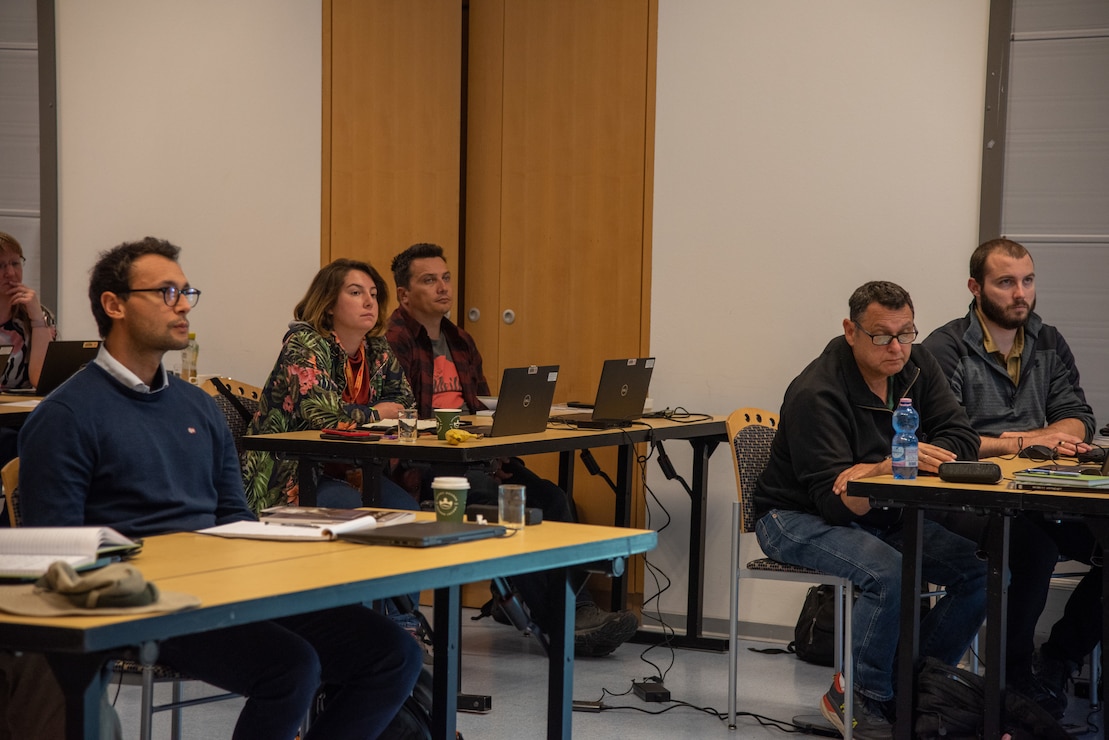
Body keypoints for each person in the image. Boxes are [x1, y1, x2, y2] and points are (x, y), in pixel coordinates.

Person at [18, 237, 422, 739]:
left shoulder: (197, 407)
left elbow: (234, 515)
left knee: (392, 654)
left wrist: (292, 550)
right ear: (114, 305)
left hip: (222, 584)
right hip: (145, 598)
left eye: (188, 292)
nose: (184, 304)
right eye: (166, 292)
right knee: (291, 666)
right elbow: (52, 553)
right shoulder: (66, 416)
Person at [753, 281, 986, 739]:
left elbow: (962, 438)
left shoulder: (916, 365)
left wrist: (900, 461)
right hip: (792, 517)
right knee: (891, 573)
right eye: (882, 336)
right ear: (851, 331)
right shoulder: (815, 393)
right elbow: (837, 505)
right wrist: (889, 466)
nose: (897, 347)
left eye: (906, 333)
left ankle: (913, 684)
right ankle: (858, 694)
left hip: (882, 509)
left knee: (982, 574)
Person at [385, 242, 639, 657]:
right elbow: (401, 426)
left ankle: (577, 608)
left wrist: (498, 450)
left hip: (474, 459)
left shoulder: (460, 340)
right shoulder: (393, 343)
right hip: (426, 469)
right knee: (508, 507)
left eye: (445, 278)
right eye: (428, 280)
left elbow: (481, 410)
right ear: (404, 294)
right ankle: (562, 623)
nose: (442, 288)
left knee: (551, 498)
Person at [922, 237, 1100, 717]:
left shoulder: (1048, 340)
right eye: (1006, 283)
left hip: (1042, 494)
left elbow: (1079, 416)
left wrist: (1049, 435)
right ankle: (1013, 673)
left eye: (1028, 280)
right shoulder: (943, 348)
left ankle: (1058, 659)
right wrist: (1023, 442)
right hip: (964, 498)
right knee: (1031, 542)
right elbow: (947, 437)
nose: (1021, 293)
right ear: (975, 288)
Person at [242, 258, 419, 514]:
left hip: (354, 469)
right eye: (356, 293)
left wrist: (361, 413)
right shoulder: (303, 344)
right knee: (347, 507)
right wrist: (377, 413)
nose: (369, 302)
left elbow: (405, 403)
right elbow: (325, 414)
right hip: (292, 473)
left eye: (373, 294)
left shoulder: (376, 347)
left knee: (407, 510)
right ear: (328, 305)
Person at [0, 232, 56, 480]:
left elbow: (39, 379)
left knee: (56, 434)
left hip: (25, 417)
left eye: (15, 263)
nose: (10, 273)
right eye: (0, 265)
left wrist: (37, 320)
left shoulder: (37, 314)